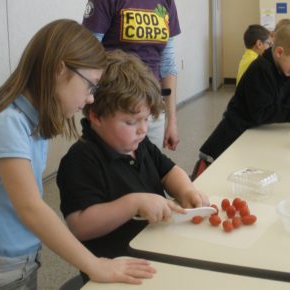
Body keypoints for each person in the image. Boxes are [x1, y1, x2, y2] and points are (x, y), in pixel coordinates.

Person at [0, 19, 156, 290]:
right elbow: (31, 209)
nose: (90, 99)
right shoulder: (8, 122)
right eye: (90, 86)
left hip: (21, 261)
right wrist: (94, 264)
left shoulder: (32, 121)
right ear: (60, 70)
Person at [57, 50, 209, 267]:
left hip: (157, 249)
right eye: (131, 122)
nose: (142, 130)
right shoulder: (81, 159)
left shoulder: (140, 144)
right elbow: (79, 226)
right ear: (96, 117)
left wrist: (186, 190)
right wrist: (132, 204)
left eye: (146, 120)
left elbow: (168, 171)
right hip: (119, 267)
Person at [192, 24, 290, 180]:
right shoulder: (261, 69)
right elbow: (261, 113)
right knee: (213, 181)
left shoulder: (284, 70)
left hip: (252, 137)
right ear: (279, 52)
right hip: (229, 139)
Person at [82, 0, 180, 150]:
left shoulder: (167, 2)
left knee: (149, 166)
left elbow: (168, 64)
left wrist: (172, 120)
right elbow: (88, 58)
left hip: (152, 106)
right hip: (117, 106)